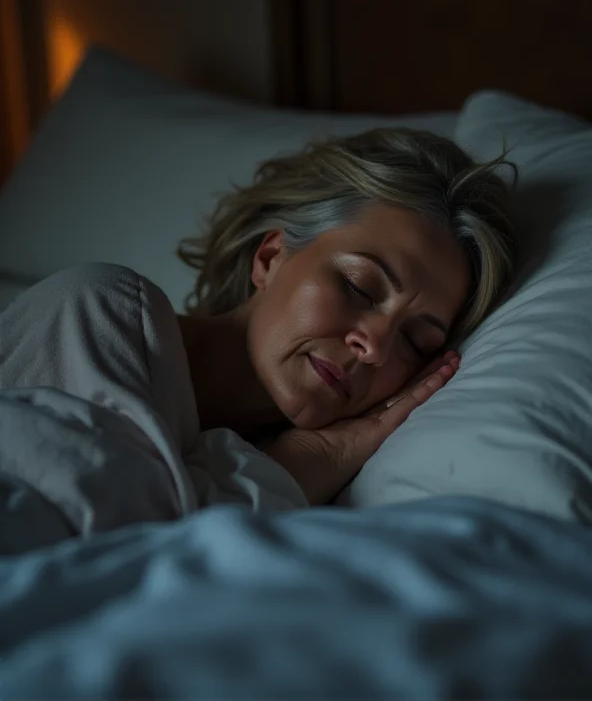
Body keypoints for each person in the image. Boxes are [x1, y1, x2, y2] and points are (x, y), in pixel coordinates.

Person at [0, 127, 516, 550]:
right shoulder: (99, 308)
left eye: (415, 342)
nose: (375, 347)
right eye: (359, 287)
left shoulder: (319, 482)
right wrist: (294, 471)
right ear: (270, 258)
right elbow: (96, 560)